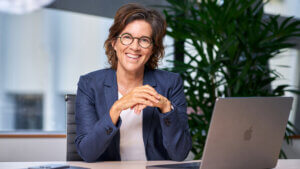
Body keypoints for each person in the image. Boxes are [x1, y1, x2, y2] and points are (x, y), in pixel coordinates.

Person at [75, 3, 192, 162]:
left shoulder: (171, 83)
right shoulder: (89, 84)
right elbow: (87, 153)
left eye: (144, 40)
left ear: (152, 50)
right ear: (114, 43)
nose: (135, 47)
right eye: (127, 38)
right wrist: (117, 108)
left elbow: (180, 154)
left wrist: (166, 107)